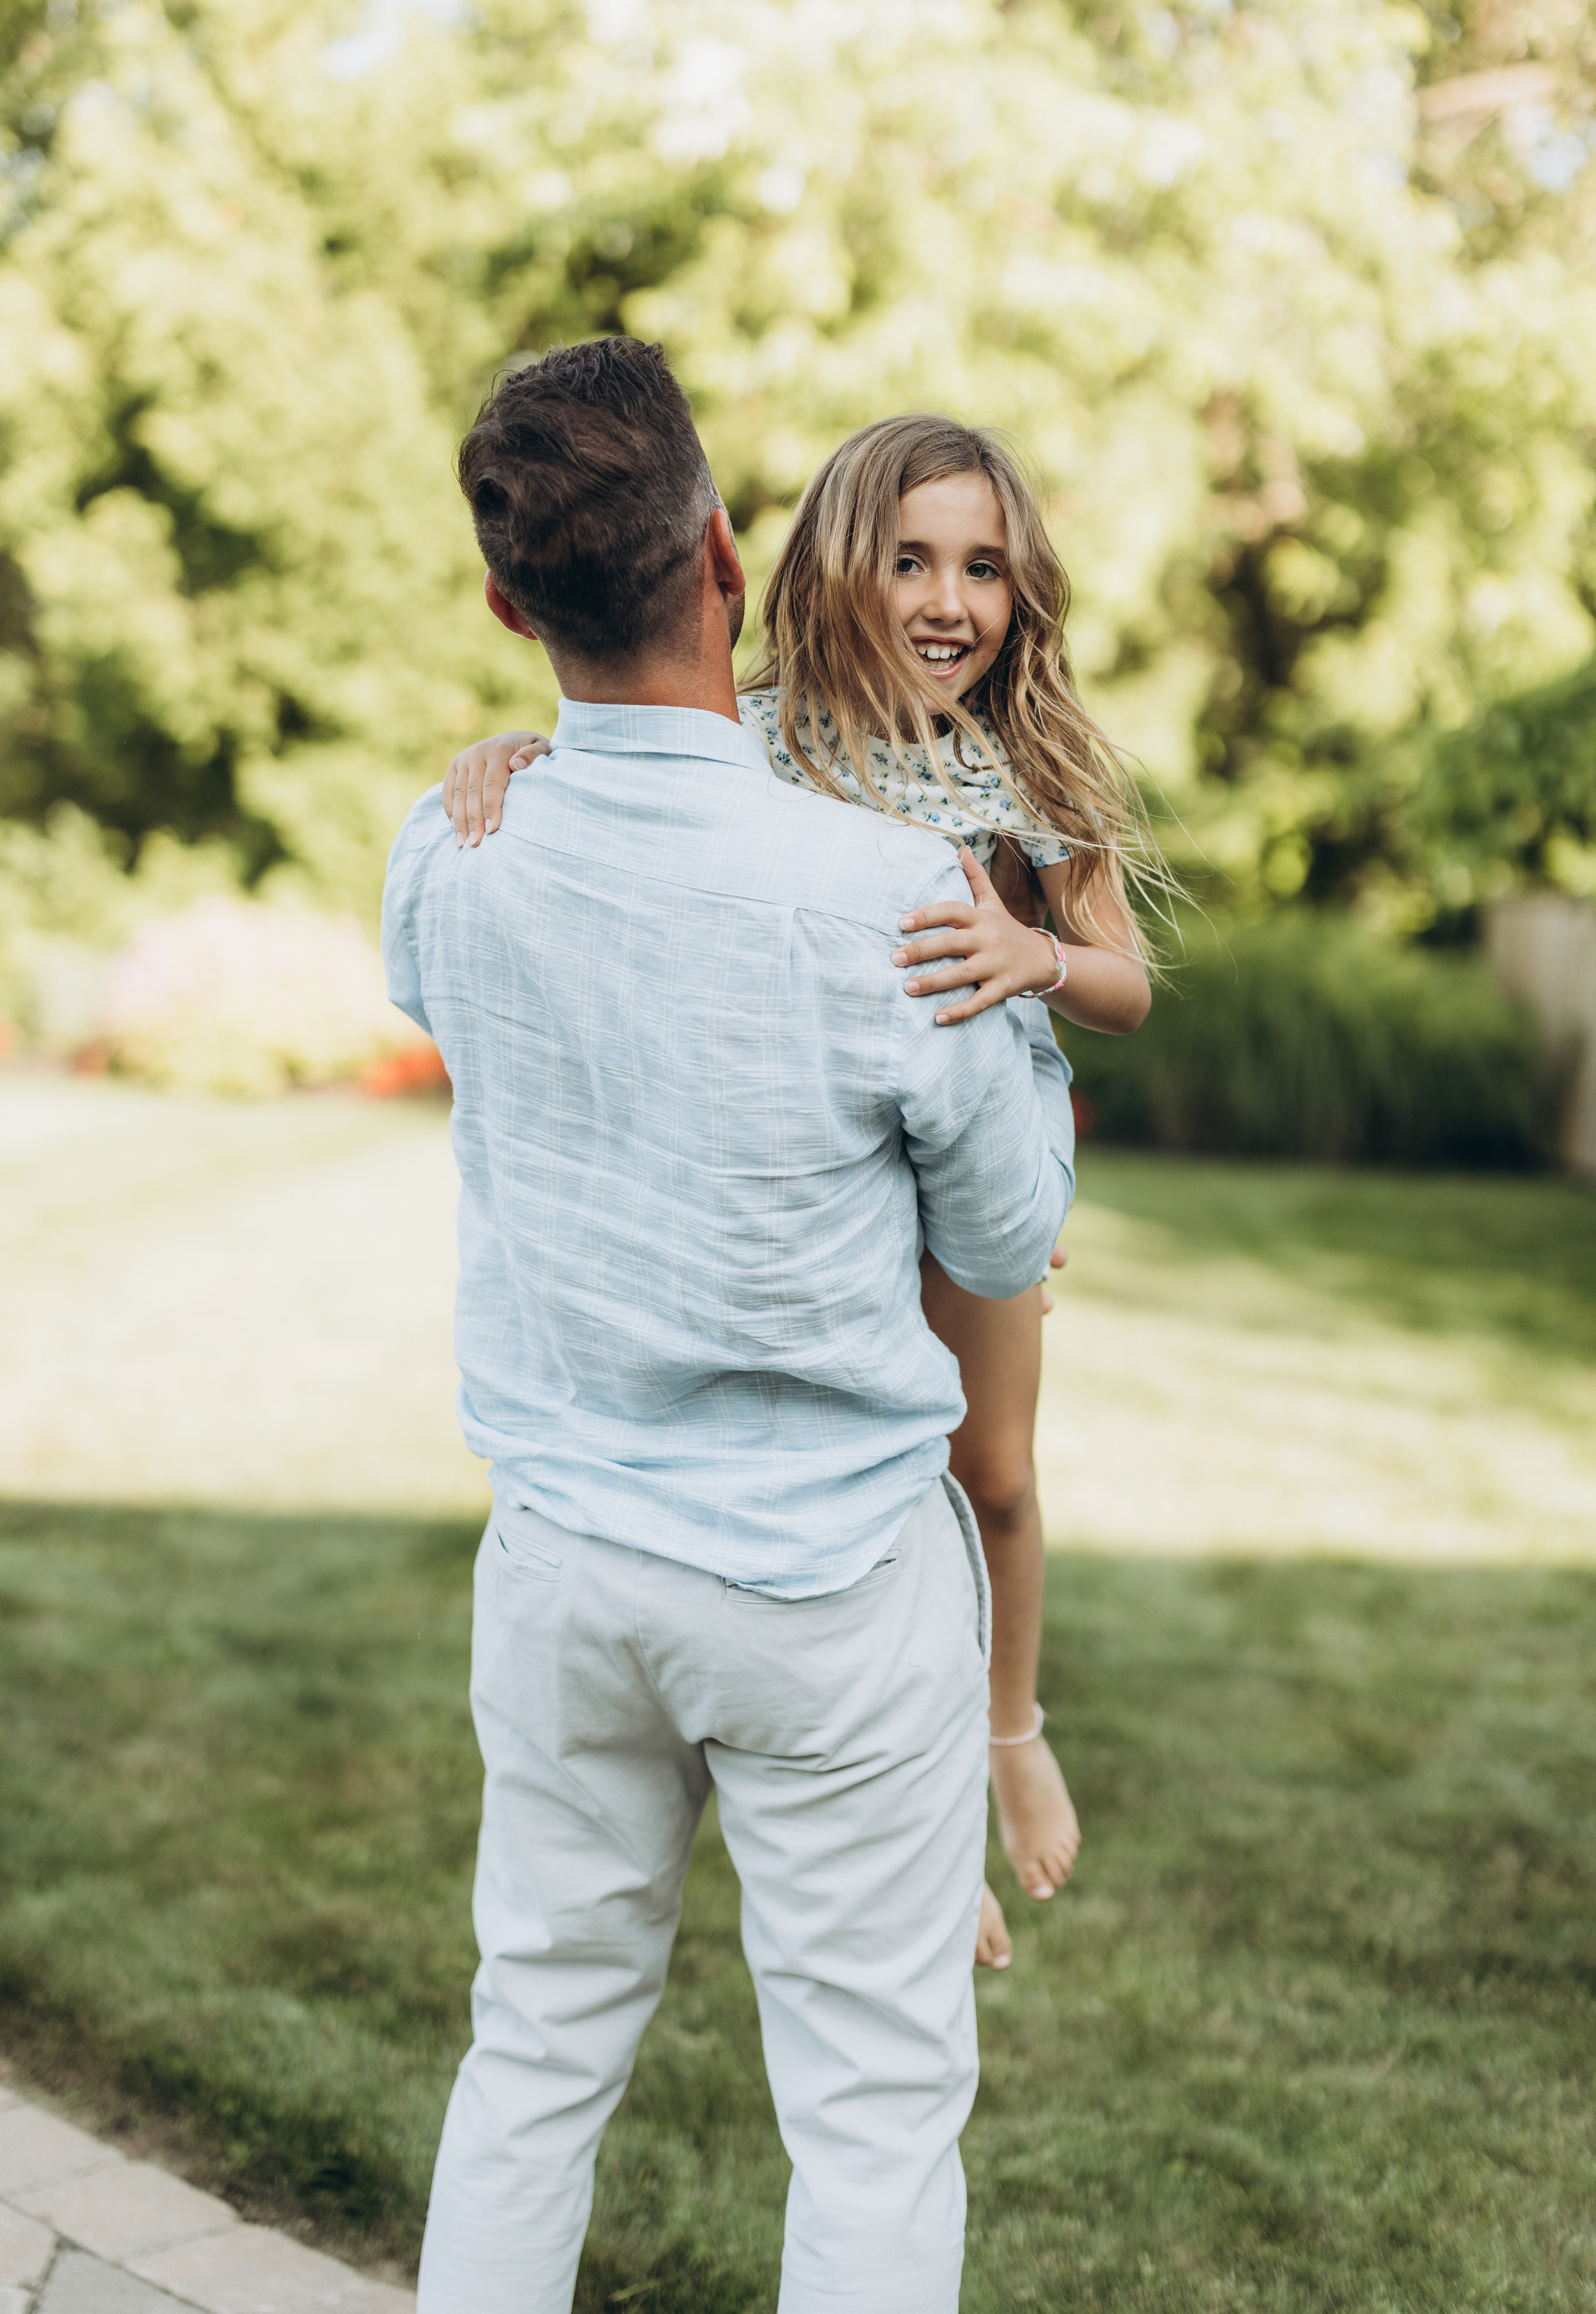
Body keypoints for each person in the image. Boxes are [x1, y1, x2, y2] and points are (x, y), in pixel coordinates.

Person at [384, 335, 1072, 2313]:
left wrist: (513, 758)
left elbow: (444, 959)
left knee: (531, 2055)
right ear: (726, 553)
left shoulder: (455, 847)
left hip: (570, 1567)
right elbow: (1011, 1230)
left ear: (511, 603)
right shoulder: (896, 898)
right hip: (828, 1592)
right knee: (868, 2114)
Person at [442, 411, 1158, 1971]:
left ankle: (1007, 1727)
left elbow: (1123, 987)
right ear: (826, 567)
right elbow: (620, 780)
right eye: (908, 559)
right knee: (891, 1483)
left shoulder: (1020, 765)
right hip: (830, 1170)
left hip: (971, 1157)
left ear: (1018, 593)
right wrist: (508, 755)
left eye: (979, 567)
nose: (944, 599)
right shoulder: (754, 741)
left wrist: (1040, 954)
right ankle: (920, 1832)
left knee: (998, 1478)